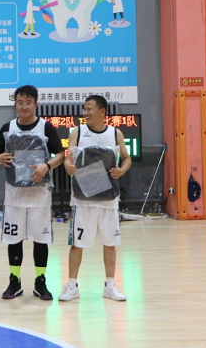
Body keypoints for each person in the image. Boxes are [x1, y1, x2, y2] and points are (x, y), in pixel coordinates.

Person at [0, 85, 65, 301]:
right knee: (14, 238)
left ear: (36, 104)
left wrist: (46, 166)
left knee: (40, 239)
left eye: (28, 102)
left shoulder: (46, 127)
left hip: (39, 195)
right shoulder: (7, 128)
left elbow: (61, 154)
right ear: (15, 104)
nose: (24, 106)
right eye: (20, 102)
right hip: (14, 194)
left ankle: (40, 281)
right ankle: (14, 281)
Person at [59, 95, 132, 302]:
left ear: (102, 111)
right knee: (77, 244)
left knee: (110, 243)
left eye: (89, 109)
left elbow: (127, 158)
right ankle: (72, 285)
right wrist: (68, 166)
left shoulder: (115, 133)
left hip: (108, 199)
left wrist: (122, 170)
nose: (85, 112)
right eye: (84, 109)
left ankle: (110, 285)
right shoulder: (77, 132)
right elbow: (68, 159)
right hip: (82, 199)